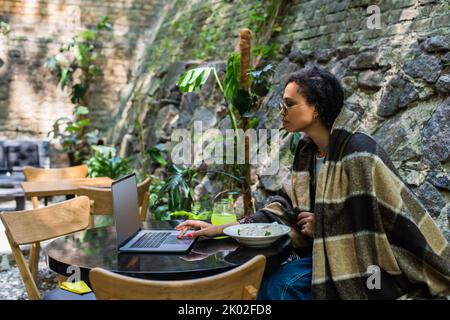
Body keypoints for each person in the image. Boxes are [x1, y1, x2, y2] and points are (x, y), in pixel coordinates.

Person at [176, 65, 450, 300]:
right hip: (324, 255)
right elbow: (284, 209)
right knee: (264, 277)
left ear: (316, 108)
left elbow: (380, 225)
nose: (282, 111)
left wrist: (322, 225)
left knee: (283, 286)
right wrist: (220, 229)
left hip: (370, 266)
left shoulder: (358, 152)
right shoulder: (307, 152)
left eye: (290, 104)